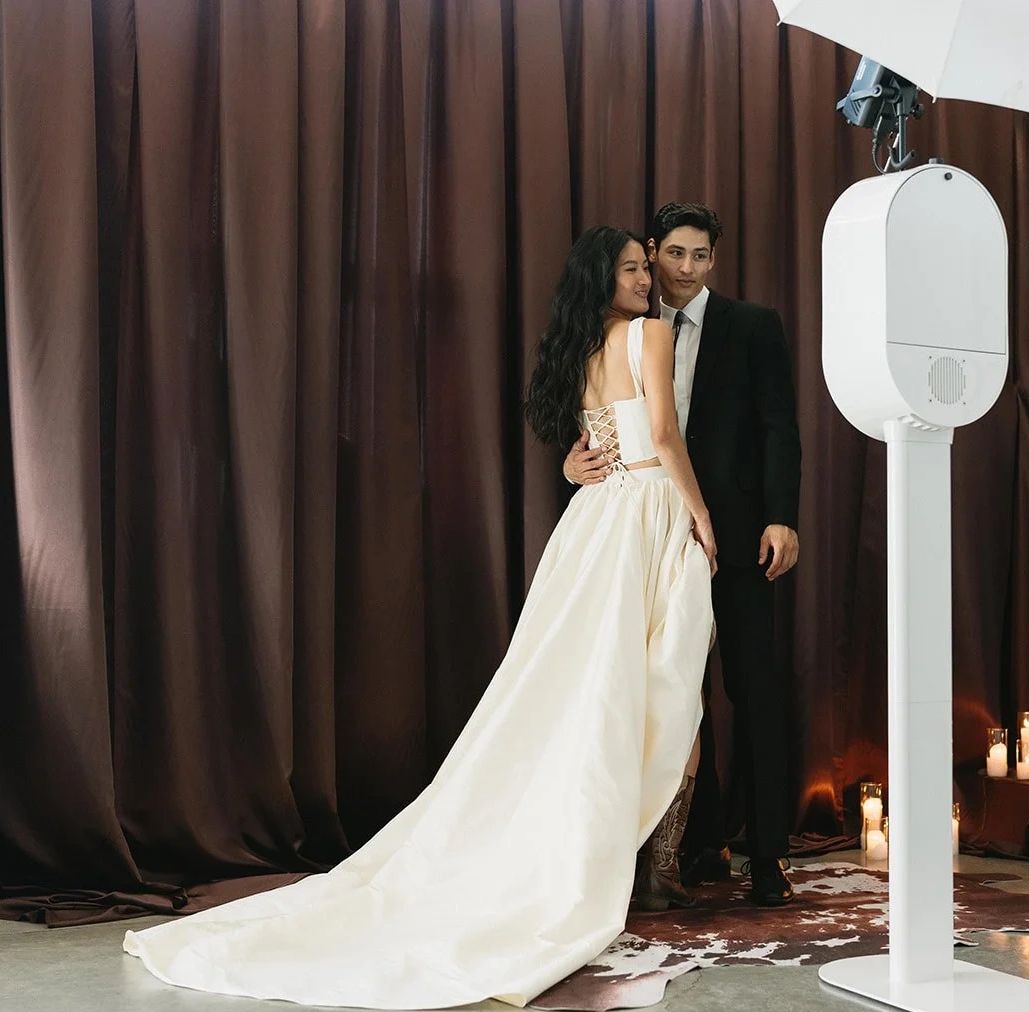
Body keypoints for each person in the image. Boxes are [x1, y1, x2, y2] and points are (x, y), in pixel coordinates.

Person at [122, 226, 717, 1009]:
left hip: (595, 521)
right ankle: (595, 858)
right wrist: (699, 514)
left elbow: (592, 440)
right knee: (647, 683)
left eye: (649, 266)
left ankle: (587, 848)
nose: (646, 278)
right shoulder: (648, 334)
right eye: (634, 267)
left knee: (576, 688)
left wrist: (587, 466)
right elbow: (664, 436)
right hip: (641, 511)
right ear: (604, 280)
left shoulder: (578, 347)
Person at [563, 202, 802, 906]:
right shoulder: (621, 328)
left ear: (714, 261)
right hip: (650, 533)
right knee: (667, 694)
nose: (687, 269)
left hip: (735, 535)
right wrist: (573, 466)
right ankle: (696, 847)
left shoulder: (752, 326)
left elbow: (780, 427)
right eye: (673, 255)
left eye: (702, 256)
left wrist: (781, 518)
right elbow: (611, 428)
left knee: (751, 688)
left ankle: (767, 856)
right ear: (650, 253)